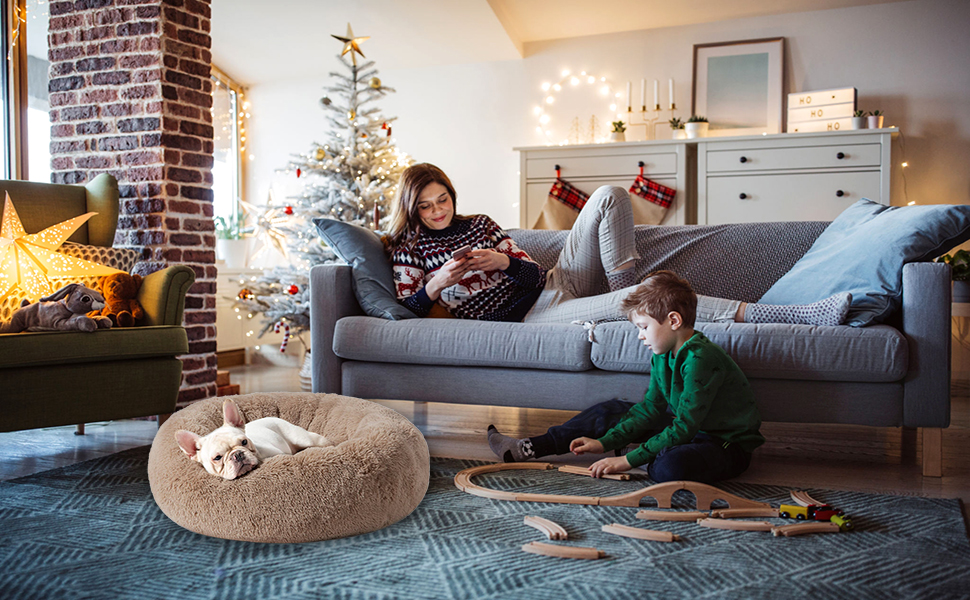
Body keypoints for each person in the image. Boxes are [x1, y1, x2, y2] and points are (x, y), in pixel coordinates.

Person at [386, 162, 851, 326]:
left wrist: (503, 260)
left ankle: (626, 290)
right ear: (414, 209)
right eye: (426, 206)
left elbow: (531, 273)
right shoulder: (408, 250)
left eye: (442, 199)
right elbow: (402, 310)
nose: (437, 211)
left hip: (553, 283)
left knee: (610, 195)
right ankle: (790, 315)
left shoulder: (482, 224)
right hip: (536, 317)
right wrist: (437, 284)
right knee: (650, 301)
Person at [488, 271, 764, 483]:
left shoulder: (701, 359)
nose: (640, 335)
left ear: (674, 321)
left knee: (671, 467)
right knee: (612, 410)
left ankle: (651, 459)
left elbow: (685, 428)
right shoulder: (661, 353)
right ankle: (528, 448)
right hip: (688, 430)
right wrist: (604, 442)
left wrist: (628, 461)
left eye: (643, 327)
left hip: (723, 444)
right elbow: (650, 409)